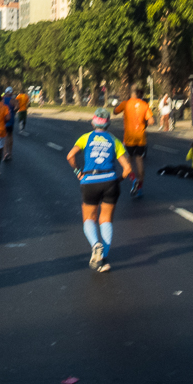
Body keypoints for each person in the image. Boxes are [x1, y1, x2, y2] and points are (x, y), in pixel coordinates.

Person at [66, 109, 132, 272]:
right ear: (108, 124)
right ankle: (103, 257)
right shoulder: (114, 140)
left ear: (93, 123)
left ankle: (96, 245)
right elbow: (128, 168)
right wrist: (117, 181)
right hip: (110, 181)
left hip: (89, 181)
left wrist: (78, 173)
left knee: (89, 218)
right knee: (106, 219)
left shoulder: (85, 138)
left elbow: (70, 156)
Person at [113, 85, 153, 198]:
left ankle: (133, 178)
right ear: (140, 93)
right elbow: (151, 121)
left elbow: (115, 112)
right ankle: (140, 189)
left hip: (129, 138)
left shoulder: (125, 104)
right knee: (139, 160)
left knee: (126, 160)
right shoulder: (144, 105)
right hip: (141, 138)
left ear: (131, 92)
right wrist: (143, 124)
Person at [2, 87, 16, 160]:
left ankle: (5, 154)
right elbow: (17, 107)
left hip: (4, 120)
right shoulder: (13, 100)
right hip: (11, 120)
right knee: (10, 136)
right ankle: (9, 153)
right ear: (11, 92)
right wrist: (13, 111)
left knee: (5, 137)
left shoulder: (2, 100)